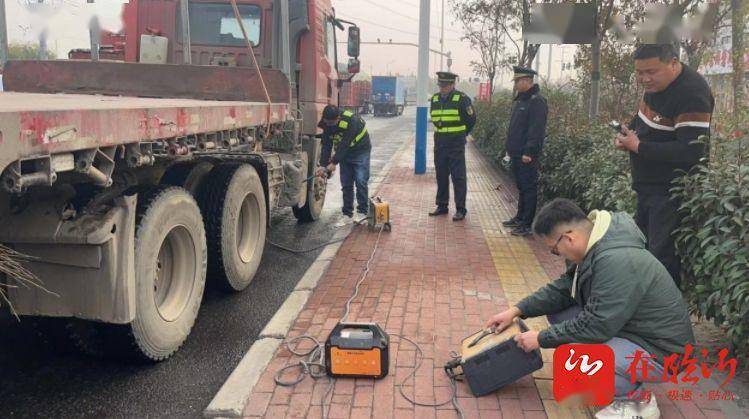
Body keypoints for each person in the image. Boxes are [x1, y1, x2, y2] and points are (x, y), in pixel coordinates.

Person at [486, 198, 695, 419]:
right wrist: (517, 310)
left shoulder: (616, 260)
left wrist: (541, 338)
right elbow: (564, 289)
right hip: (634, 332)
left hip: (664, 353)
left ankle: (637, 403)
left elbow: (596, 326)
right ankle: (623, 373)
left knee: (577, 356)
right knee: (560, 314)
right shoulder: (597, 244)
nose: (558, 255)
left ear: (568, 238)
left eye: (555, 250)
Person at [615, 44, 714, 287]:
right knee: (642, 250)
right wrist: (627, 135)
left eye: (651, 71)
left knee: (661, 258)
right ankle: (644, 310)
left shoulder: (692, 93)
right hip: (648, 187)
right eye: (639, 73)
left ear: (672, 63)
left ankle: (664, 317)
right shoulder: (656, 86)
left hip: (671, 192)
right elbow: (644, 119)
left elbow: (691, 151)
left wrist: (639, 147)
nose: (644, 79)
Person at [502, 66, 548, 236]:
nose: (515, 84)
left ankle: (527, 224)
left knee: (529, 188)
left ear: (528, 81)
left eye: (518, 81)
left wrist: (529, 151)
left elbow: (536, 130)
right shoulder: (521, 100)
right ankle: (520, 217)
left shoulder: (537, 101)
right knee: (521, 187)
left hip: (526, 155)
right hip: (516, 153)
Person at [428, 71, 476, 221]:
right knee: (441, 175)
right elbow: (434, 118)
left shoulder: (461, 99)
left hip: (456, 143)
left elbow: (471, 119)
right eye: (440, 85)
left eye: (445, 85)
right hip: (440, 142)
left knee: (458, 177)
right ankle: (442, 205)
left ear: (452, 84)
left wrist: (462, 134)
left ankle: (461, 209)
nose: (442, 88)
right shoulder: (435, 99)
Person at [317, 105, 372, 223]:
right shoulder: (326, 123)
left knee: (361, 181)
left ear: (339, 118)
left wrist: (334, 162)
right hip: (345, 154)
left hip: (360, 151)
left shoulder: (351, 120)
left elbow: (345, 143)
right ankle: (347, 214)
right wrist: (322, 165)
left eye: (332, 122)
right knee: (346, 184)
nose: (330, 125)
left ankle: (362, 212)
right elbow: (326, 144)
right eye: (327, 122)